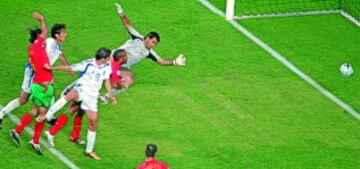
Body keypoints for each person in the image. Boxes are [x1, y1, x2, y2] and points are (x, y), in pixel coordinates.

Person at [38, 47, 116, 160]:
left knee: (93, 124)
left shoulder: (107, 65)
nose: (110, 58)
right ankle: (47, 115)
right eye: (108, 57)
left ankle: (89, 151)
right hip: (82, 89)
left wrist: (110, 94)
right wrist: (51, 68)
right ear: (103, 58)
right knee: (69, 97)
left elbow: (106, 79)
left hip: (92, 97)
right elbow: (69, 67)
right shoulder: (88, 64)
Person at [99, 2, 187, 103]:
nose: (153, 44)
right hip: (113, 58)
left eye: (155, 43)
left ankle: (106, 97)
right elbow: (127, 25)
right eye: (153, 41)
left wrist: (175, 62)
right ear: (147, 38)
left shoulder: (149, 52)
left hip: (123, 66)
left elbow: (161, 61)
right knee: (95, 77)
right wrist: (122, 14)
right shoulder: (137, 37)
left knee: (129, 80)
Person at [0, 22, 71, 128]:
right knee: (24, 99)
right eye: (64, 32)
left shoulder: (57, 45)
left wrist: (67, 66)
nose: (66, 34)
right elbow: (38, 57)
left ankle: (48, 116)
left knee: (49, 93)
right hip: (34, 72)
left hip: (43, 73)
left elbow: (59, 55)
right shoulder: (50, 43)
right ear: (57, 35)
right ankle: (1, 114)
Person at [9, 11, 54, 155]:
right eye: (42, 37)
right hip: (43, 86)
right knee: (42, 114)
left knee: (35, 111)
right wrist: (42, 18)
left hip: (37, 84)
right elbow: (45, 31)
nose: (45, 38)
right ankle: (33, 140)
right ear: (38, 38)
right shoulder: (38, 46)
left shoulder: (32, 50)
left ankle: (18, 132)